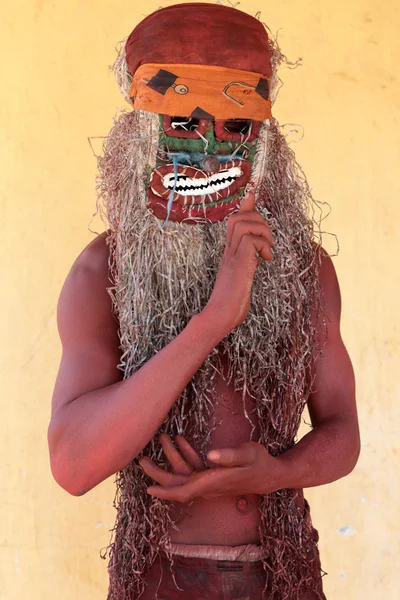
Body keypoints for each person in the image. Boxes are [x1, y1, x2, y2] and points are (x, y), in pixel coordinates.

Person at [48, 3, 360, 599]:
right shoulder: (101, 272)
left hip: (284, 576)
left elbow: (343, 431)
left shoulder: (303, 268)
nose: (212, 155)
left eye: (236, 128)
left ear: (265, 142)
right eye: (184, 126)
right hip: (154, 578)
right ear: (137, 136)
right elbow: (74, 465)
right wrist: (213, 320)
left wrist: (279, 472)